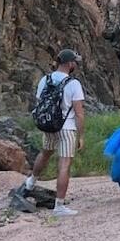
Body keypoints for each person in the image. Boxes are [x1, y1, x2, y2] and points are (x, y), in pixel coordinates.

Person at [24, 48, 86, 217]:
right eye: (75, 62)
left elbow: (40, 102)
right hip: (66, 128)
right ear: (70, 63)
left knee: (45, 153)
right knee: (64, 164)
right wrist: (81, 135)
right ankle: (59, 206)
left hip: (49, 126)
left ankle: (30, 183)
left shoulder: (45, 79)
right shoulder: (73, 84)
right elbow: (79, 113)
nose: (76, 64)